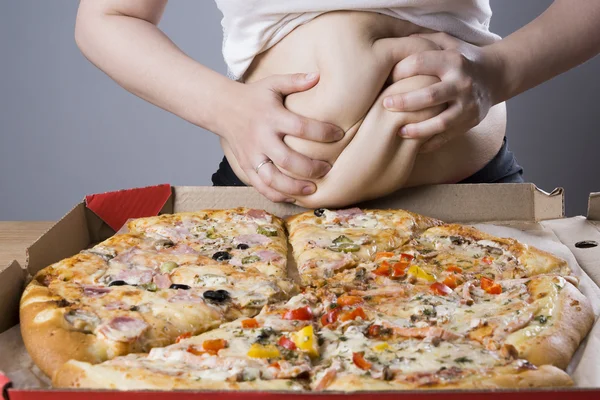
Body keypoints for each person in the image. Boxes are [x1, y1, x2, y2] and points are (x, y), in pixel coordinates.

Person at [75, 1, 600, 207]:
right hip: (269, 195)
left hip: (472, 197)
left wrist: (499, 71)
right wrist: (225, 107)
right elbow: (108, 17)